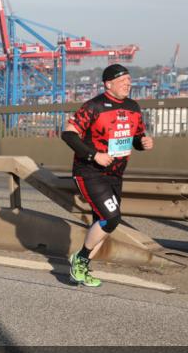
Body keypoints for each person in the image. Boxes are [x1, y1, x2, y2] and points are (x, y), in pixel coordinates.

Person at [62, 63, 154, 287]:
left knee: (103, 223)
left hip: (115, 174)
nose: (128, 84)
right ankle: (80, 259)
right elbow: (68, 134)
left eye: (129, 81)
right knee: (111, 218)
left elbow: (134, 137)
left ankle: (82, 269)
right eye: (123, 81)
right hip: (90, 171)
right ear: (108, 84)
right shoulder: (94, 106)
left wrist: (142, 143)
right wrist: (94, 155)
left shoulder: (133, 107)